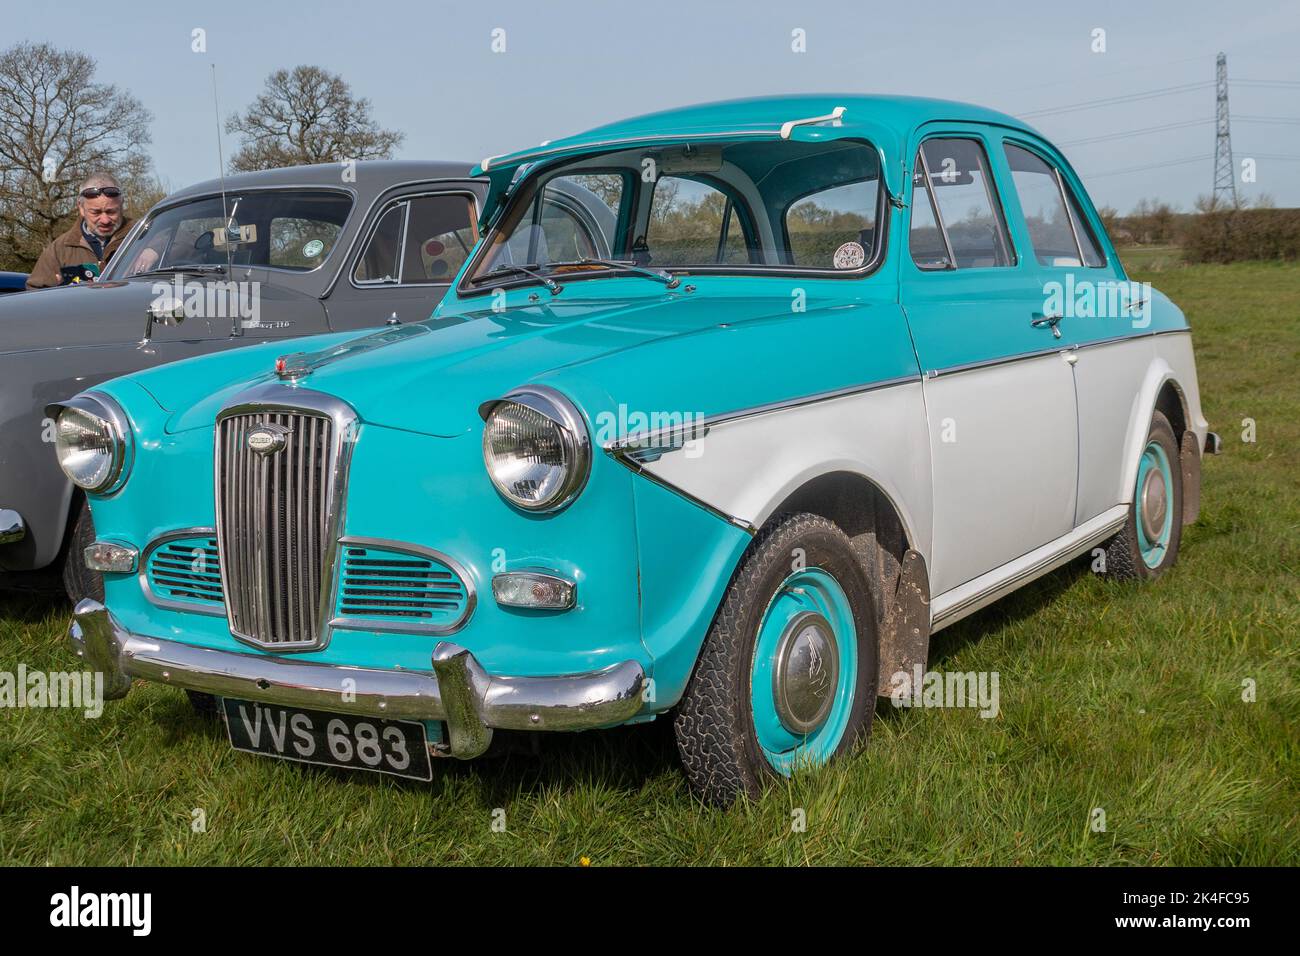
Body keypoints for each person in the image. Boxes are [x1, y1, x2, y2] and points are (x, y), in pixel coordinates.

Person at [26, 173, 136, 289]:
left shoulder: (142, 236)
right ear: (81, 208)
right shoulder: (59, 249)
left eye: (111, 212)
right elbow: (34, 292)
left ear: (122, 204)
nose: (105, 220)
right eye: (96, 212)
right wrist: (58, 294)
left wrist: (152, 249)